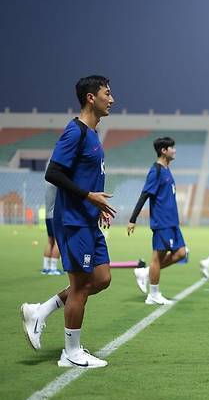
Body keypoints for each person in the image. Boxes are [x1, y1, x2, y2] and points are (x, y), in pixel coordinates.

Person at [21, 75, 115, 368]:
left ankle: (40, 311)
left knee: (101, 279)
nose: (111, 99)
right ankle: (71, 353)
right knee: (80, 286)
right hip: (73, 221)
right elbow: (53, 173)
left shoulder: (93, 134)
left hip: (88, 219)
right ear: (91, 98)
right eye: (107, 94)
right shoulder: (74, 131)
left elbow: (83, 175)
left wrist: (96, 205)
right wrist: (89, 197)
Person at [128, 137, 188, 304]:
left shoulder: (166, 169)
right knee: (157, 256)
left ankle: (145, 273)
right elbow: (145, 195)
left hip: (172, 223)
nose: (174, 150)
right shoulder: (156, 171)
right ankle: (153, 294)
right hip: (162, 223)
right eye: (172, 148)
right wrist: (133, 219)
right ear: (163, 150)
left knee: (181, 253)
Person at [41, 180, 63, 275]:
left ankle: (46, 267)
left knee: (50, 241)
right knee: (58, 242)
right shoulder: (57, 183)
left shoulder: (48, 184)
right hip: (56, 216)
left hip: (48, 216)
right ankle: (53, 268)